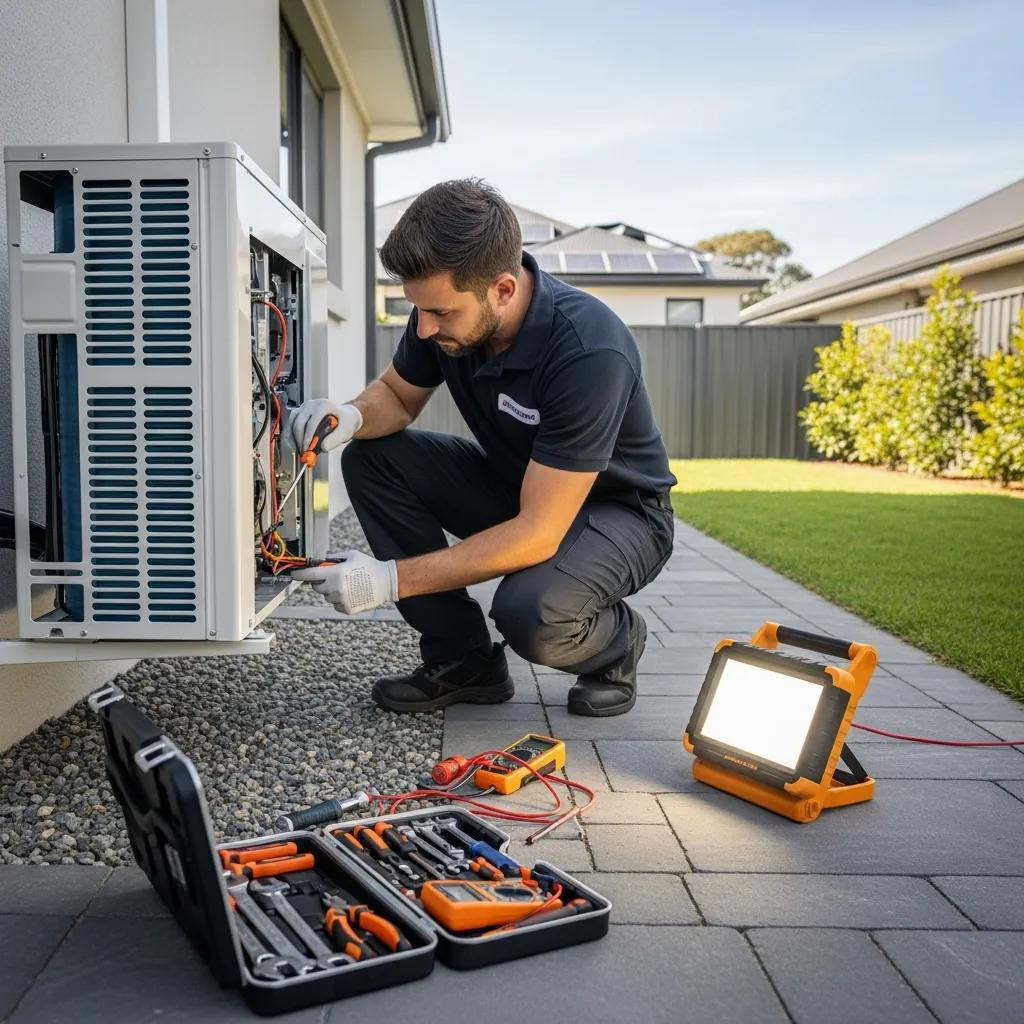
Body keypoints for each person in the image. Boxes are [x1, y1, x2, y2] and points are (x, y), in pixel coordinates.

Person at [290, 180, 676, 717]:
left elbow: (538, 532)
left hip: (621, 514)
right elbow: (397, 397)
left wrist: (388, 580)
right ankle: (464, 660)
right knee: (372, 455)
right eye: (418, 311)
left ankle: (616, 644)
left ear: (502, 289)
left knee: (532, 614)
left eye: (441, 314)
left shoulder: (588, 349)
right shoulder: (441, 313)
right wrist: (351, 415)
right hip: (524, 487)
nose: (425, 328)